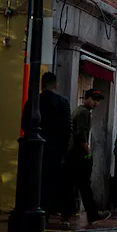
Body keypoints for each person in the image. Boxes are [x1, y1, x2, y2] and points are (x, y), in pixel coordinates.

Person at [69, 88, 110, 226]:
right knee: (84, 185)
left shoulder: (80, 111)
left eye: (98, 101)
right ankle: (92, 214)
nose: (96, 103)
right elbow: (81, 135)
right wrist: (88, 151)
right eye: (93, 99)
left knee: (75, 184)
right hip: (79, 153)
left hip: (74, 152)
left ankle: (68, 214)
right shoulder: (83, 113)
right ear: (86, 98)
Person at [39, 72, 71, 222]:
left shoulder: (35, 101)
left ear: (42, 84)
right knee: (58, 182)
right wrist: (65, 149)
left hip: (39, 150)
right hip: (57, 150)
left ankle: (43, 211)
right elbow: (67, 129)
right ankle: (62, 213)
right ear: (56, 85)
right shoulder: (63, 103)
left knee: (40, 182)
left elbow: (25, 123)